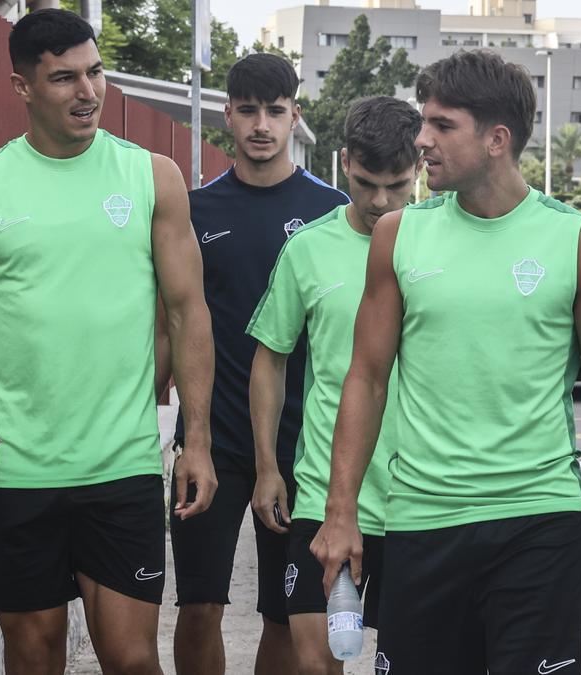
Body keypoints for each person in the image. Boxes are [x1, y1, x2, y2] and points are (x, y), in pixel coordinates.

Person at [311, 50, 581, 674]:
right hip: (422, 519)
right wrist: (342, 510)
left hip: (538, 522)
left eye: (442, 125)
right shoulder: (398, 237)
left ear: (497, 139)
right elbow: (366, 377)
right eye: (424, 122)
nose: (422, 140)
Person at [0, 9, 216, 674]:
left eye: (96, 72)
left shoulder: (151, 178)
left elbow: (190, 312)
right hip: (16, 470)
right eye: (65, 78)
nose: (89, 92)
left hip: (122, 464)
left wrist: (198, 439)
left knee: (133, 659)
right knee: (35, 652)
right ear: (22, 87)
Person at [162, 53, 349, 675]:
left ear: (295, 116)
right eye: (248, 111)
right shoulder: (195, 211)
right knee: (197, 607)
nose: (262, 125)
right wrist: (185, 433)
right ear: (228, 117)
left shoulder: (333, 211)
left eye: (275, 111)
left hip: (301, 446)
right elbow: (173, 323)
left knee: (285, 615)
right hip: (210, 440)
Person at [247, 96, 421, 675]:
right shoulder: (308, 248)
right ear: (344, 161)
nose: (379, 201)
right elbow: (270, 359)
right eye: (367, 182)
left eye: (395, 185)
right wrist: (268, 466)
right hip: (326, 497)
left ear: (418, 169)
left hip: (420, 502)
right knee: (317, 666)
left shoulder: (443, 243)